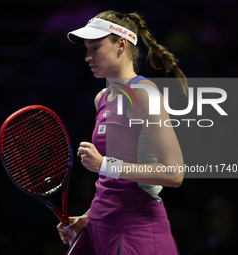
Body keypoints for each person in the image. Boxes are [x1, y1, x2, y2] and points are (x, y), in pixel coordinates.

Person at [57, 10, 187, 255]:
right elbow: (109, 182)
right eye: (86, 49)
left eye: (95, 48)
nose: (87, 56)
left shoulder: (143, 93)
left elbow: (174, 173)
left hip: (137, 230)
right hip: (100, 226)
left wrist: (106, 164)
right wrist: (87, 217)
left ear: (121, 44)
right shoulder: (101, 98)